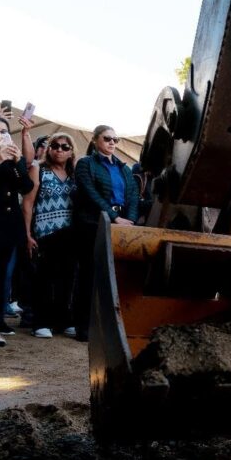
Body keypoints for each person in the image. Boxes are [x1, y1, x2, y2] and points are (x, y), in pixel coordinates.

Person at [73, 125, 140, 341]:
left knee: (115, 277)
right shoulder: (86, 164)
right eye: (107, 138)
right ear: (95, 140)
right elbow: (90, 193)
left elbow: (133, 195)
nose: (112, 142)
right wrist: (114, 216)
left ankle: (107, 329)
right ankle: (83, 327)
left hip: (121, 224)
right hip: (93, 223)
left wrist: (128, 220)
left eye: (115, 139)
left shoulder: (124, 168)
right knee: (89, 275)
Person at [22, 132, 79, 339]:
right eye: (55, 145)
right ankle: (40, 322)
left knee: (67, 277)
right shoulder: (39, 169)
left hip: (70, 231)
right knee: (44, 278)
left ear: (71, 151)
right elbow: (27, 203)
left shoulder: (75, 173)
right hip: (45, 231)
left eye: (65, 147)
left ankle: (63, 321)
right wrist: (27, 234)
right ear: (49, 148)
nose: (59, 150)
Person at [0, 113, 35, 342]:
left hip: (7, 226)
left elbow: (26, 187)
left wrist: (19, 162)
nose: (0, 135)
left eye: (3, 131)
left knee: (2, 275)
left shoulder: (11, 158)